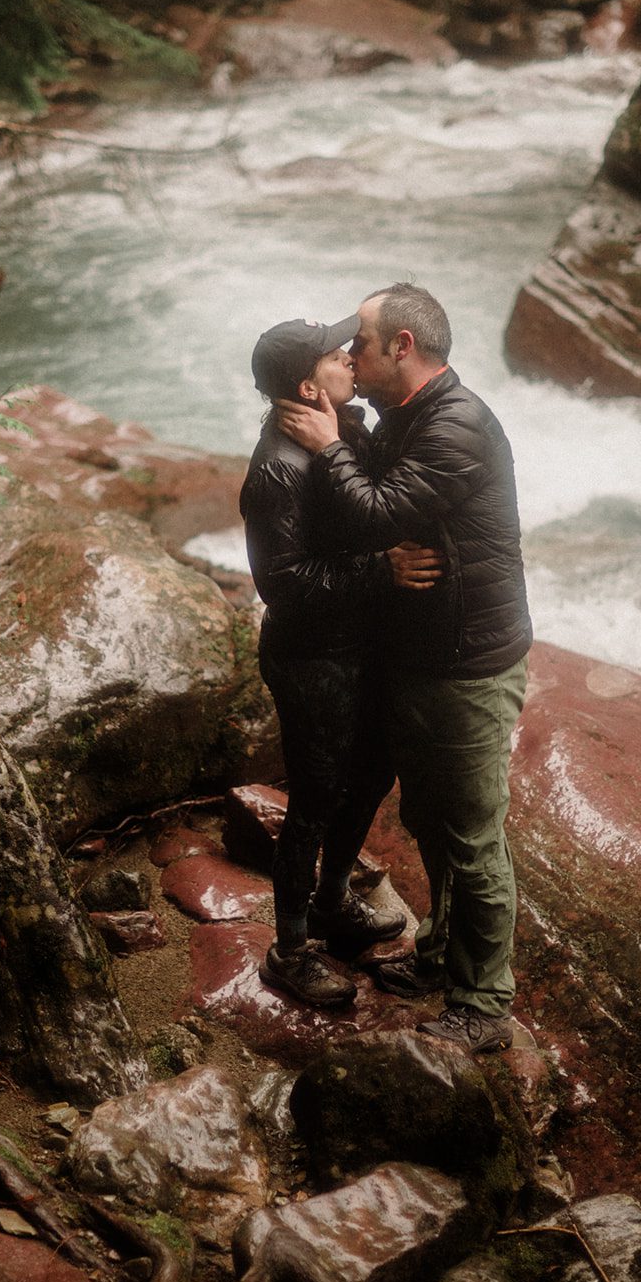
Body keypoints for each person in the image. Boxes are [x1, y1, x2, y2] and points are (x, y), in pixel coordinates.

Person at [276, 283, 532, 1055]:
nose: (350, 353)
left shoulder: (456, 426)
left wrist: (327, 445)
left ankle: (484, 1004)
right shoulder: (407, 416)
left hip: (466, 664)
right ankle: (440, 958)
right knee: (431, 821)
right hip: (426, 657)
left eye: (360, 340)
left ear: (402, 348)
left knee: (472, 835)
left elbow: (380, 513)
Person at [240, 315, 411, 1008]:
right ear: (310, 385)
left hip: (358, 644)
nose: (349, 354)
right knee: (313, 799)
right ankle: (288, 950)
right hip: (311, 655)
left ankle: (334, 900)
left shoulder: (342, 428)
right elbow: (283, 584)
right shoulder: (277, 467)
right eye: (333, 353)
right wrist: (384, 570)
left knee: (371, 772)